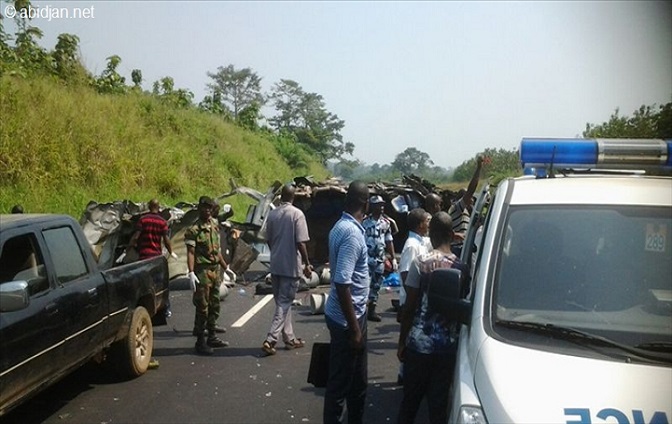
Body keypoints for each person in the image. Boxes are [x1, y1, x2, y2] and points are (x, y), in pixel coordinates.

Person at [397, 211, 468, 424]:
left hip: (419, 345)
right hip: (447, 346)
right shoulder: (462, 268)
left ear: (433, 234)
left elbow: (409, 306)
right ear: (451, 234)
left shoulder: (420, 263)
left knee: (409, 403)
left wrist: (402, 342)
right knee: (438, 408)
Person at [323, 180, 370, 424]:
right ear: (365, 203)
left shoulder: (340, 226)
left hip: (347, 314)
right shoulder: (352, 234)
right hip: (347, 319)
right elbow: (342, 282)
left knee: (356, 381)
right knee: (341, 385)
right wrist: (354, 330)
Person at [261, 183, 312, 356]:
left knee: (283, 303)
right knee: (284, 303)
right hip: (291, 266)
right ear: (293, 197)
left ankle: (289, 337)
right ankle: (270, 339)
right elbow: (301, 242)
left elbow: (267, 240)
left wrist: (276, 251)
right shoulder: (297, 214)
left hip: (275, 265)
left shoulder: (273, 214)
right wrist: (307, 263)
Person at [127, 198, 178, 368]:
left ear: (149, 207)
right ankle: (163, 308)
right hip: (156, 259)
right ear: (159, 207)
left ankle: (151, 310)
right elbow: (166, 240)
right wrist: (172, 253)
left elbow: (135, 237)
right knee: (159, 287)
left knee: (144, 289)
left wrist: (130, 249)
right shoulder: (162, 222)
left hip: (143, 259)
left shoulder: (143, 220)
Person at [185, 196, 230, 355]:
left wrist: (226, 267)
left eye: (210, 208)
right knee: (202, 308)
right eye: (204, 208)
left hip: (215, 270)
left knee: (214, 305)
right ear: (199, 209)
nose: (207, 211)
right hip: (202, 272)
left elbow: (216, 251)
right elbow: (190, 252)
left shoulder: (214, 224)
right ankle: (200, 341)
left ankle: (212, 336)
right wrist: (191, 272)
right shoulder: (193, 230)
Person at [395, 207, 432, 385]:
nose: (428, 224)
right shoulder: (412, 245)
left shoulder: (421, 241)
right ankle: (403, 375)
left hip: (415, 298)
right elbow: (405, 274)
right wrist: (413, 298)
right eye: (427, 221)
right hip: (411, 299)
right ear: (419, 225)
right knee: (409, 336)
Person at [362, 195, 396, 322]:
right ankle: (360, 311)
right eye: (378, 205)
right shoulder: (364, 222)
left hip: (379, 259)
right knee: (364, 284)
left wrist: (392, 258)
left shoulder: (386, 223)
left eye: (382, 205)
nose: (381, 208)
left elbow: (389, 241)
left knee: (376, 285)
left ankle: (372, 310)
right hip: (366, 259)